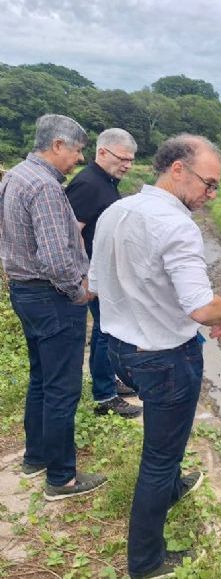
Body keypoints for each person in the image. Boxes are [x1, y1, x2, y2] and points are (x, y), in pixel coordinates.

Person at [90, 134, 221, 579]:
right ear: (177, 170)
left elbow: (93, 283)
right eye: (207, 184)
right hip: (165, 357)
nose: (210, 196)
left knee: (163, 441)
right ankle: (146, 562)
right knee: (159, 457)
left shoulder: (116, 212)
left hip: (120, 351)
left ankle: (172, 487)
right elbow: (201, 306)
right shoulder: (176, 225)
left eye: (215, 188)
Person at [0, 114, 107, 500]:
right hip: (52, 297)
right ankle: (62, 479)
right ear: (58, 145)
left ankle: (37, 457)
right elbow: (55, 258)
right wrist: (78, 291)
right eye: (78, 150)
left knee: (42, 378)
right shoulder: (44, 186)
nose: (79, 158)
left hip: (25, 292)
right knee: (62, 388)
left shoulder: (15, 175)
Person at [65, 128, 142, 419]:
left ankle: (108, 380)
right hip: (94, 276)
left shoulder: (106, 180)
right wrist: (84, 277)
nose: (128, 165)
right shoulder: (88, 184)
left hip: (105, 273)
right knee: (104, 332)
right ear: (102, 153)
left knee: (107, 331)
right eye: (123, 158)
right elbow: (71, 235)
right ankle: (104, 396)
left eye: (131, 160)